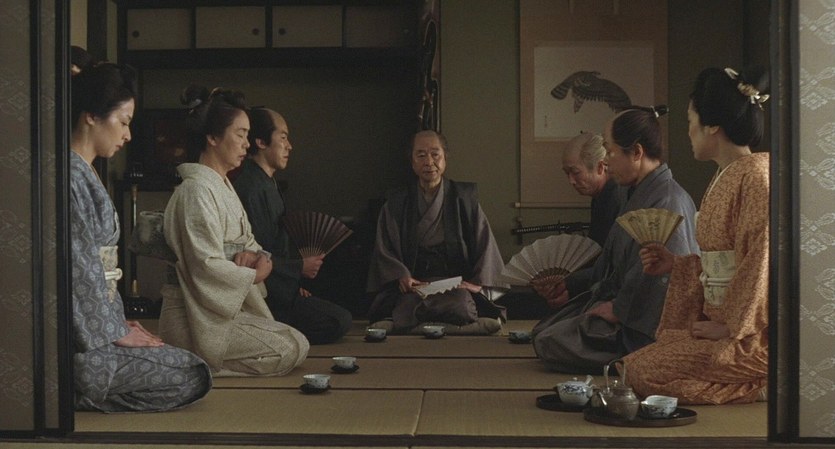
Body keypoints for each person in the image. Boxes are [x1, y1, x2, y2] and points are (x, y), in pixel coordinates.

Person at [623, 67, 770, 404]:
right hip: (722, 324)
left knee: (642, 372)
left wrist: (732, 329)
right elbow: (723, 262)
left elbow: (760, 260)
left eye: (691, 121)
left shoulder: (756, 176)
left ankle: (765, 383)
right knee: (634, 366)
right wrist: (676, 264)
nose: (688, 131)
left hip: (752, 335)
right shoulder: (727, 174)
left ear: (712, 125)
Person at [70, 62, 211, 412]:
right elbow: (78, 271)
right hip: (83, 342)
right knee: (194, 373)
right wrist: (112, 331)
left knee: (187, 364)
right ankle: (71, 392)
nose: (128, 135)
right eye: (124, 122)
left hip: (97, 325)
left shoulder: (83, 171)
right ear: (91, 116)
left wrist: (117, 322)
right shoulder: (69, 177)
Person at [531, 105, 699, 374]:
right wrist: (573, 285)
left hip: (644, 326)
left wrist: (619, 310)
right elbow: (611, 266)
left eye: (610, 152)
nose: (606, 163)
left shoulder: (667, 200)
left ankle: (639, 358)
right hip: (621, 304)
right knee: (543, 331)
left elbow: (664, 283)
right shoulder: (635, 194)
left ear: (637, 153)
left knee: (550, 341)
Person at [160, 87, 309, 377]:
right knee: (287, 348)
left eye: (247, 135)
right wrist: (252, 274)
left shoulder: (223, 185)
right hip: (193, 315)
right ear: (213, 138)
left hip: (219, 309)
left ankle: (200, 364)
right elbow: (205, 265)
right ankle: (194, 365)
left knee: (297, 342)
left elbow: (250, 242)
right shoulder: (195, 190)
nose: (246, 144)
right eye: (240, 134)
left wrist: (260, 258)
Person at [366, 130, 506, 334]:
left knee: (461, 305)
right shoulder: (397, 202)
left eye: (435, 154)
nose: (429, 162)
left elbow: (485, 244)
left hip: (454, 285)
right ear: (412, 161)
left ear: (445, 157)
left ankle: (404, 327)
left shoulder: (464, 199)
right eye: (421, 155)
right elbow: (385, 247)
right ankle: (466, 328)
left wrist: (476, 284)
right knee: (407, 306)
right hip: (416, 284)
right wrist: (401, 275)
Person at [233, 107, 352, 344]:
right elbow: (258, 252)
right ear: (261, 142)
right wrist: (299, 268)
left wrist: (294, 282)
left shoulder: (265, 183)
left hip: (281, 284)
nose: (289, 146)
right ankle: (272, 334)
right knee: (338, 321)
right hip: (265, 293)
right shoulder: (252, 187)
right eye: (283, 137)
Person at [562, 132, 626, 247]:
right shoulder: (601, 195)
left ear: (600, 167)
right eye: (567, 173)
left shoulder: (615, 199)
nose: (571, 181)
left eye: (575, 172)